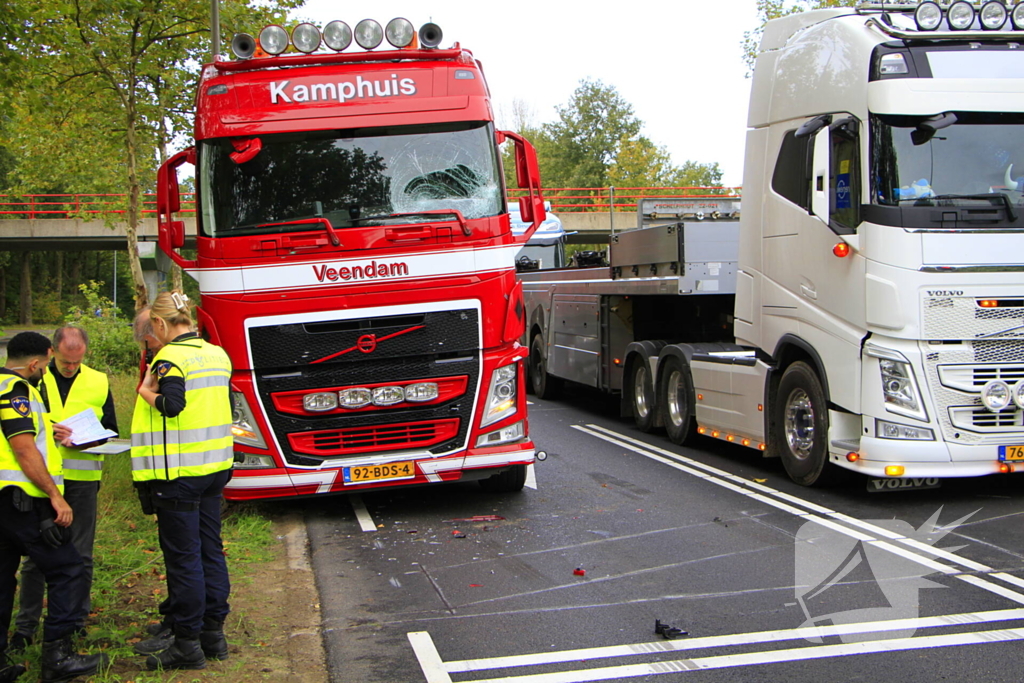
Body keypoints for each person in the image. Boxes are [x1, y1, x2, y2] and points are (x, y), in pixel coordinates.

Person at [129, 292, 233, 670]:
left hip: (179, 474)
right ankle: (213, 635)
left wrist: (144, 391)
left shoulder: (170, 357)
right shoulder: (216, 353)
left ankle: (186, 643)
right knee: (210, 550)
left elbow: (173, 405)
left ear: (159, 324)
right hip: (213, 468)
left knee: (184, 559)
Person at [0, 332, 107, 683]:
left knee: (3, 579)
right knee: (67, 568)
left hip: (5, 500)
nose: (45, 371)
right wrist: (54, 496)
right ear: (34, 363)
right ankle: (58, 657)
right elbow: (24, 448)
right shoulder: (18, 391)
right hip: (23, 500)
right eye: (45, 365)